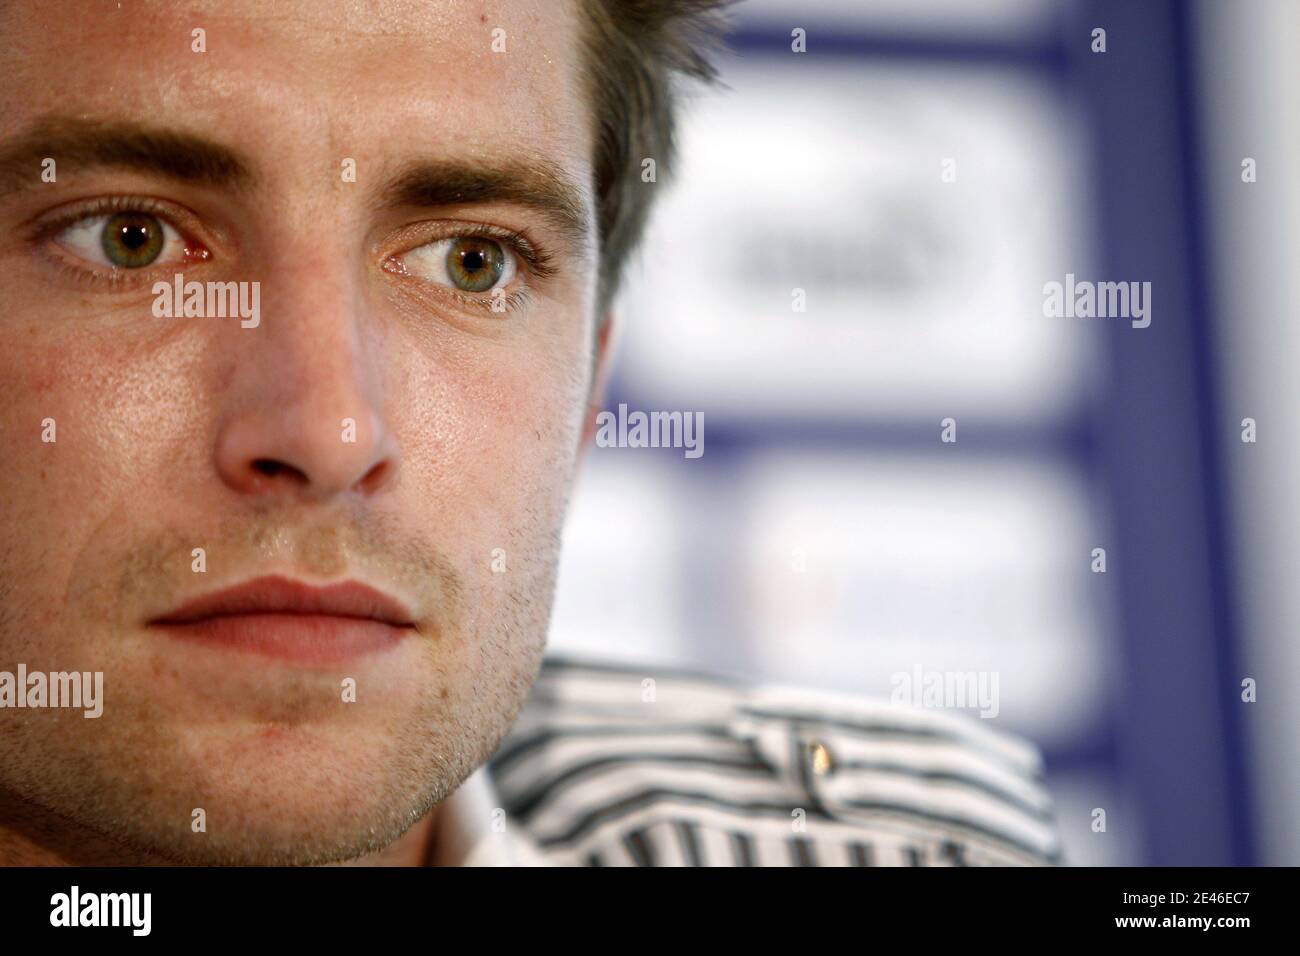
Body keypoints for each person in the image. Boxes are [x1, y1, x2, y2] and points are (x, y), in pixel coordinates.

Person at [0, 0, 1059, 866]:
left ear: (587, 390)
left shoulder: (890, 843)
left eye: (472, 259)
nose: (330, 431)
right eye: (127, 241)